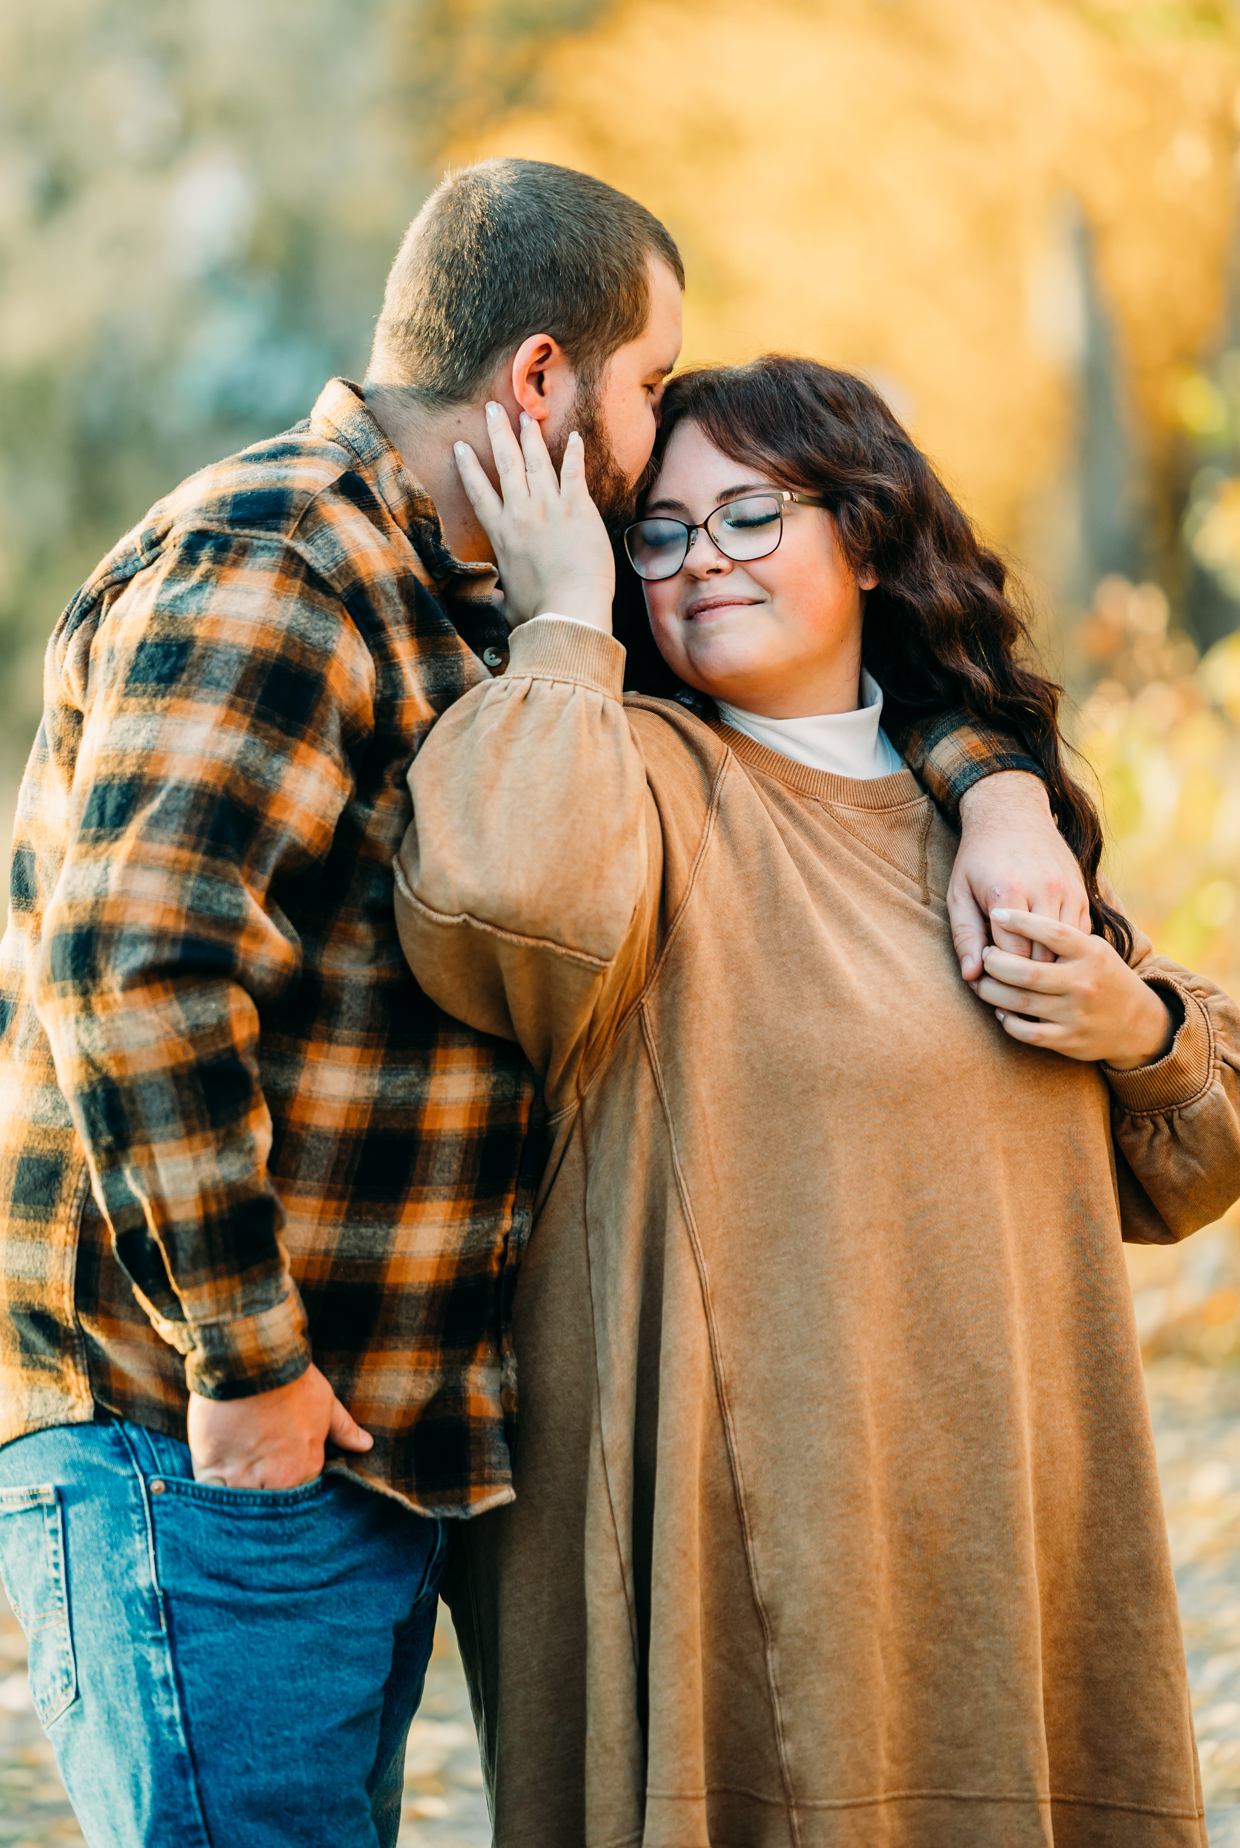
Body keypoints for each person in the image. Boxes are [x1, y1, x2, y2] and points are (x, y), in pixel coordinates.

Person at [0, 161, 1086, 1848]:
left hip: (361, 1425)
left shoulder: (496, 593)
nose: (657, 428)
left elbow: (837, 669)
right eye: (644, 383)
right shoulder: (280, 559)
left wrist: (992, 790)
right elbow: (142, 968)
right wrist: (246, 1366)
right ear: (541, 379)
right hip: (185, 1418)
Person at [394, 356, 1240, 1847]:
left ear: (861, 535)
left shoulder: (981, 820)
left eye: (745, 518)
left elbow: (1197, 1153)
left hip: (1002, 1536)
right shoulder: (637, 777)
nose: (696, 562)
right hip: (753, 1557)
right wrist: (559, 615)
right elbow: (499, 897)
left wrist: (1126, 1017)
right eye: (655, 534)